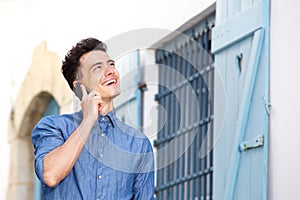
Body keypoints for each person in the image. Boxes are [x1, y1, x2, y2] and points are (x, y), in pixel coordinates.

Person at [31, 38, 156, 200]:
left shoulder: (138, 143)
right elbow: (51, 175)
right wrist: (88, 119)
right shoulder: (54, 127)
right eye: (98, 68)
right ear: (78, 86)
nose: (110, 70)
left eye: (111, 64)